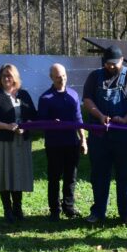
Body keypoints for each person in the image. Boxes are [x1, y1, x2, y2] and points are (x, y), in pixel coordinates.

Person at [82, 45, 127, 225]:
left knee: (126, 175)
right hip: (100, 136)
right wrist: (100, 116)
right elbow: (87, 100)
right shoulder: (94, 77)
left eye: (114, 64)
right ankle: (98, 212)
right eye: (107, 64)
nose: (111, 67)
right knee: (99, 175)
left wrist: (126, 119)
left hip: (125, 137)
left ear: (122, 60)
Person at [0, 63, 37, 223]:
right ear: (0, 78)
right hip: (1, 142)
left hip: (21, 141)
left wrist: (24, 126)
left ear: (15, 77)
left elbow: (33, 115)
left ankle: (18, 208)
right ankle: (7, 210)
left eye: (9, 75)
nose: (7, 78)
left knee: (17, 174)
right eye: (4, 75)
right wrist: (8, 127)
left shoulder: (24, 95)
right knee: (4, 175)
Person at [37, 63, 87, 222]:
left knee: (71, 177)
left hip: (71, 143)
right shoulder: (45, 98)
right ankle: (54, 210)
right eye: (58, 77)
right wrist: (52, 122)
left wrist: (83, 140)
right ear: (51, 77)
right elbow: (40, 123)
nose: (62, 79)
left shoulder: (73, 95)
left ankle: (69, 207)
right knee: (54, 178)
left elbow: (79, 120)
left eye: (64, 76)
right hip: (54, 144)